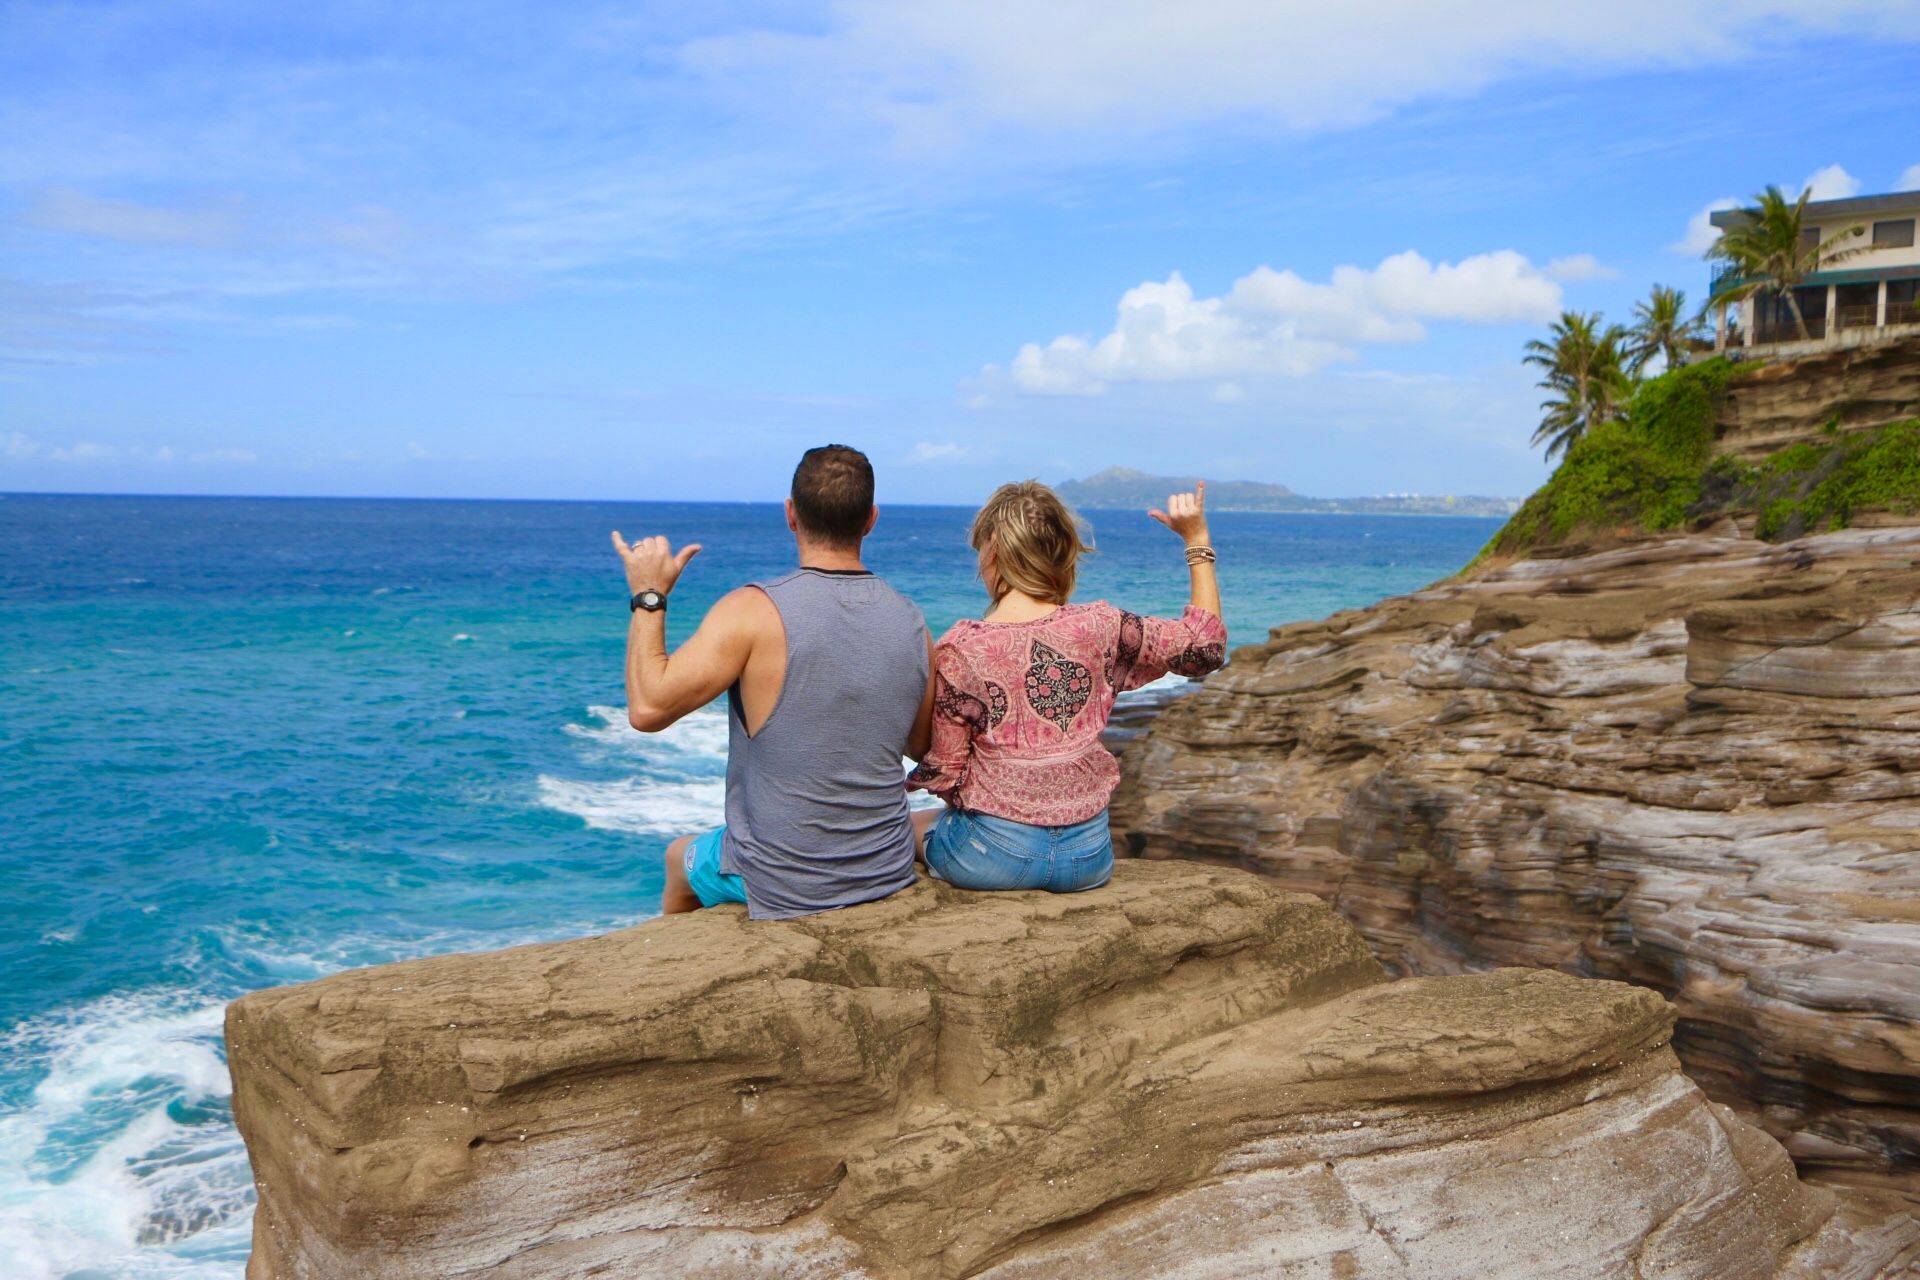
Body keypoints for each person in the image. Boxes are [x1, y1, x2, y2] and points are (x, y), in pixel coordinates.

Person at [612, 444, 935, 920]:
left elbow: (647, 708)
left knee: (677, 858)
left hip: (782, 882)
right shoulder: (911, 621)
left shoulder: (751, 611)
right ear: (870, 519)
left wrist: (649, 595)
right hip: (883, 869)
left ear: (790, 514)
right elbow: (922, 744)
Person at [907, 479, 1224, 892]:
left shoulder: (961, 649)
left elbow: (942, 769)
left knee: (900, 824)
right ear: (1063, 553)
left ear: (995, 553)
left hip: (996, 859)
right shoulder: (1102, 626)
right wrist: (1197, 539)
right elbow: (1205, 647)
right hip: (1089, 858)